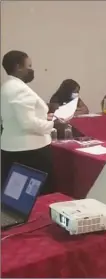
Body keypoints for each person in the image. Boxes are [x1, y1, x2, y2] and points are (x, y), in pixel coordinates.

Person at [1, 50, 54, 194]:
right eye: (29, 66)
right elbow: (27, 123)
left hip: (12, 147)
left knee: (14, 194)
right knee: (35, 195)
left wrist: (44, 117)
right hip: (30, 151)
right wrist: (52, 124)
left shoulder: (7, 86)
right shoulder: (19, 89)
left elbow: (18, 117)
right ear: (18, 67)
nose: (32, 70)